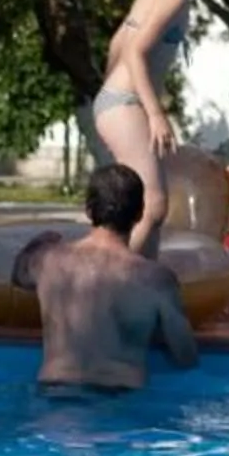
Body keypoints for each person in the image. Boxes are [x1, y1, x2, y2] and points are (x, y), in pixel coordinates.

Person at [91, 0, 229, 256]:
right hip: (125, 104)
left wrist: (106, 99)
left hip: (119, 103)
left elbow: (118, 42)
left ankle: (144, 281)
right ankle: (116, 277)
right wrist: (154, 114)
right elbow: (134, 52)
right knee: (154, 204)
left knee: (137, 208)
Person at [29, 162, 199, 391]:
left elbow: (18, 275)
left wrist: (39, 243)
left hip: (54, 394)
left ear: (88, 210)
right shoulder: (155, 279)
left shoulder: (48, 259)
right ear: (139, 214)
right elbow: (185, 356)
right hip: (120, 399)